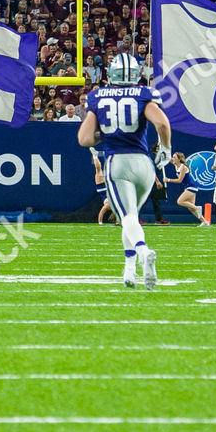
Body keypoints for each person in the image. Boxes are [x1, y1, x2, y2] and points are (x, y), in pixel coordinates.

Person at [78, 53, 171, 289]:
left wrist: (106, 134)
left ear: (112, 73)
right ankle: (129, 271)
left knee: (127, 217)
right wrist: (167, 149)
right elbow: (161, 123)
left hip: (117, 162)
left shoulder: (97, 96)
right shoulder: (144, 94)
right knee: (130, 216)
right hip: (143, 164)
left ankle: (143, 251)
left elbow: (85, 138)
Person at [167, 150, 214, 225]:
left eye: (174, 158)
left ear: (179, 159)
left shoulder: (183, 167)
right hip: (187, 187)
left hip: (191, 188)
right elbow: (167, 158)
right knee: (191, 208)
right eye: (173, 157)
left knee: (180, 201)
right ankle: (204, 222)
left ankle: (197, 208)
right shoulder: (176, 165)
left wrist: (168, 180)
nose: (173, 159)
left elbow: (179, 180)